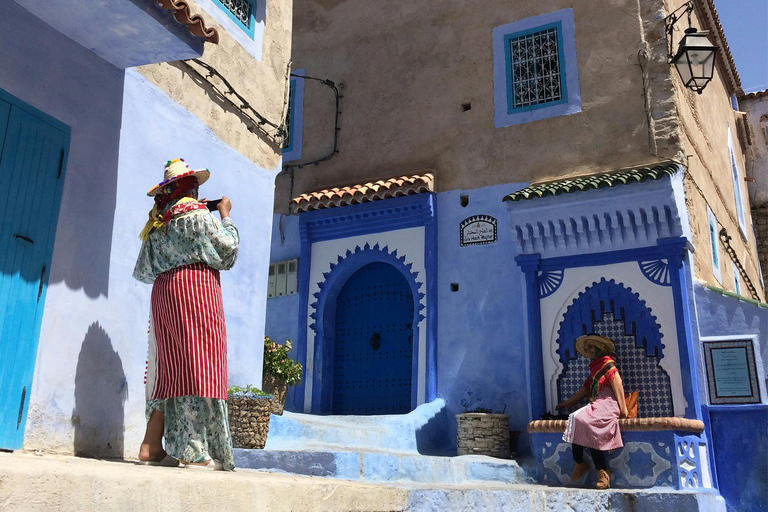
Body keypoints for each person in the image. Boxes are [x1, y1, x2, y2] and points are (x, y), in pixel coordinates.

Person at [133, 158, 239, 470]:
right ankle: (196, 452)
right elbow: (228, 250)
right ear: (189, 187)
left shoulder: (158, 221)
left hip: (164, 293)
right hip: (196, 289)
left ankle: (151, 446)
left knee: (169, 369)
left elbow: (146, 269)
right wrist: (226, 215)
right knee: (201, 368)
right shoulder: (196, 215)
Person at [555, 334, 628, 489]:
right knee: (575, 419)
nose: (588, 350)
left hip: (608, 405)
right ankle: (579, 463)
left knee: (589, 423)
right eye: (586, 348)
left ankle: (602, 471)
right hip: (596, 405)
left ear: (599, 348)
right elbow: (584, 391)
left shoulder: (608, 366)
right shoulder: (595, 370)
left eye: (591, 347)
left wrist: (623, 409)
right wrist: (567, 403)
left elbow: (618, 386)